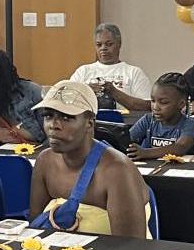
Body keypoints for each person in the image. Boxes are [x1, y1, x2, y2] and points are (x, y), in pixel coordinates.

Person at [29, 80, 149, 238]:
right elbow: (36, 229)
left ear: (89, 123)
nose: (53, 125)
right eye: (48, 116)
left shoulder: (117, 170)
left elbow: (130, 249)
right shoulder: (45, 161)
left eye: (66, 117)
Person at [69, 23, 152, 113]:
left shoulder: (134, 72)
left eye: (109, 44)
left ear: (119, 44)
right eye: (99, 45)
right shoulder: (83, 71)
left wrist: (114, 92)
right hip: (87, 123)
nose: (103, 48)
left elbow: (147, 106)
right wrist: (86, 92)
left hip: (124, 123)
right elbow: (66, 100)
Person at [127, 72, 194, 160]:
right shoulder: (148, 120)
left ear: (181, 104)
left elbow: (180, 147)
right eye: (153, 100)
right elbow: (127, 140)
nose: (155, 107)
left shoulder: (191, 125)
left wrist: (145, 153)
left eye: (163, 102)